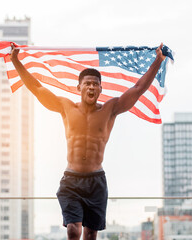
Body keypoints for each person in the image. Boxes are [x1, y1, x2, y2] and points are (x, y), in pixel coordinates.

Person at [10, 43, 166, 240]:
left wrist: (158, 61)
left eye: (95, 84)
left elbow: (138, 88)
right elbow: (37, 88)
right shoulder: (66, 107)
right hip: (71, 180)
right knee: (73, 230)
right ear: (79, 88)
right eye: (87, 84)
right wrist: (16, 61)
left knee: (91, 234)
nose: (91, 87)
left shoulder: (110, 109)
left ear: (100, 88)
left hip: (96, 181)